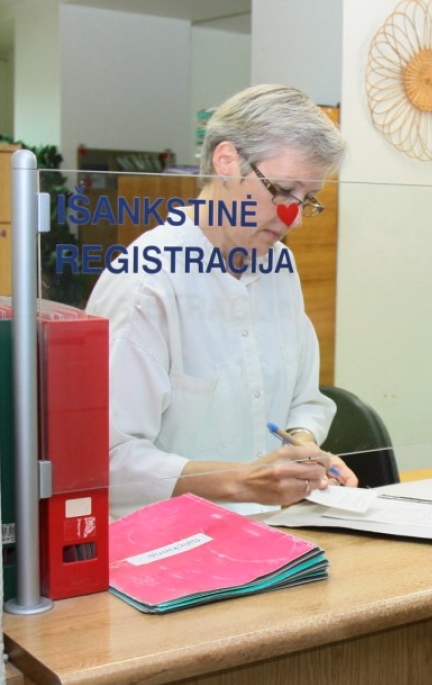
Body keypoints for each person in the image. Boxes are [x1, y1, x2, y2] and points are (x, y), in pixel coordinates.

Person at [87, 84, 357, 518]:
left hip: (274, 529)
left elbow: (305, 399)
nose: (294, 219)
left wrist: (302, 447)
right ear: (227, 161)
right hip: (164, 543)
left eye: (307, 201)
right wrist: (242, 482)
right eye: (283, 191)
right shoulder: (148, 283)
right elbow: (106, 463)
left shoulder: (279, 267)